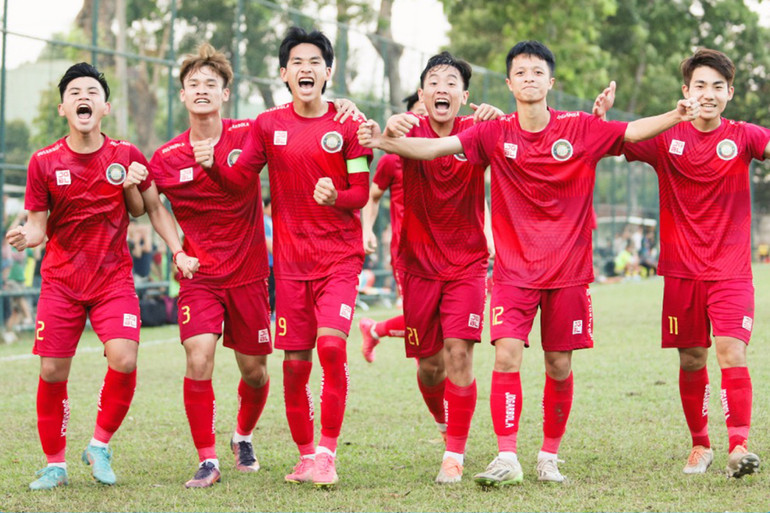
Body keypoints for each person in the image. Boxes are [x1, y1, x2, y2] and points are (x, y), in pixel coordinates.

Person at [359, 40, 699, 486]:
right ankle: (506, 456)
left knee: (559, 365)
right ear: (509, 83)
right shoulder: (494, 132)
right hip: (513, 272)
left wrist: (677, 114)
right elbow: (436, 149)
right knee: (505, 357)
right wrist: (384, 140)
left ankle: (548, 456)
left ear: (550, 81)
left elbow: (632, 131)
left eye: (537, 71)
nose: (529, 78)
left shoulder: (578, 127)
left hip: (568, 273)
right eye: (520, 72)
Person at [6, 62, 197, 491]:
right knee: (52, 370)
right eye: (74, 92)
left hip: (113, 280)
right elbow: (37, 227)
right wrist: (24, 237)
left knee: (125, 358)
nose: (83, 97)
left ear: (105, 107)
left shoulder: (126, 155)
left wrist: (178, 250)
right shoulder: (43, 162)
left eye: (92, 91)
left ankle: (99, 445)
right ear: (62, 108)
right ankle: (55, 465)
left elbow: (152, 208)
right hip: (61, 282)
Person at [196, 27, 372, 488]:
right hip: (291, 266)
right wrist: (212, 166)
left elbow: (361, 191)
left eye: (315, 62)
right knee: (295, 365)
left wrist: (337, 196)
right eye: (297, 62)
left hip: (339, 258)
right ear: (283, 73)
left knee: (331, 347)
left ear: (329, 72)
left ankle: (327, 454)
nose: (306, 69)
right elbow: (239, 181)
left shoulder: (348, 125)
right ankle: (306, 456)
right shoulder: (267, 125)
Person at [597, 48, 767, 478]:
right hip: (681, 272)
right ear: (686, 91)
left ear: (730, 93)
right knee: (691, 359)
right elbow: (618, 141)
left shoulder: (744, 136)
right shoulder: (665, 136)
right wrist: (603, 118)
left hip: (730, 272)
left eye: (717, 86)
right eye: (700, 85)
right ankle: (700, 445)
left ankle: (738, 445)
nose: (708, 94)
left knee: (731, 351)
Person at [362, 52, 503, 484]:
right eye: (434, 82)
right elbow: (374, 183)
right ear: (422, 95)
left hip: (467, 264)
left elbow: (515, 151)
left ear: (464, 95)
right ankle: (445, 423)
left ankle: (454, 454)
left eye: (451, 82)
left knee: (459, 352)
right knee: (428, 365)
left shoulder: (477, 132)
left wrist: (500, 120)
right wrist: (389, 130)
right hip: (417, 265)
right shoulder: (406, 134)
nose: (443, 88)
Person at [136, 43, 273, 488]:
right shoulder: (166, 157)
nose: (201, 90)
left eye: (210, 84)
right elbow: (152, 207)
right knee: (199, 357)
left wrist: (343, 108)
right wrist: (177, 251)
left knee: (255, 372)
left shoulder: (248, 134)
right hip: (199, 276)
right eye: (193, 84)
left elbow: (296, 122)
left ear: (225, 93)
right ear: (182, 95)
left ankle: (242, 436)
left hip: (249, 273)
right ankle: (208, 459)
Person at [357, 92, 427, 363]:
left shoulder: (445, 152)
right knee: (420, 321)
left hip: (444, 250)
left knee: (442, 320)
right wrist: (367, 230)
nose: (424, 117)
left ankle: (374, 330)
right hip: (406, 251)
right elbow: (373, 197)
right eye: (418, 112)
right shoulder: (391, 160)